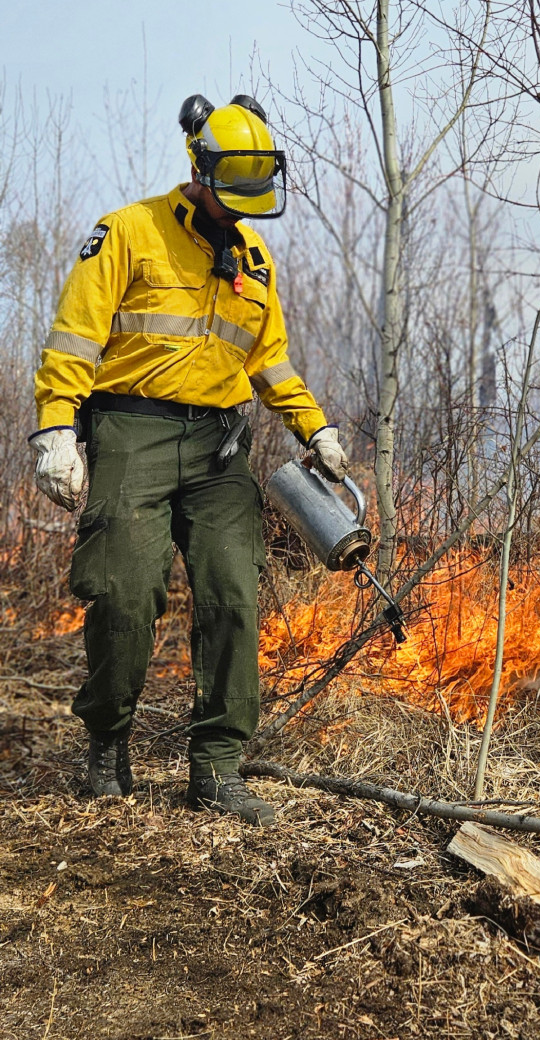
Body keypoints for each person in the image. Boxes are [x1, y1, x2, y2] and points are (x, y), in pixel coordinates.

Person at [28, 95, 348, 827]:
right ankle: (107, 741)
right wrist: (54, 430)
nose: (242, 210)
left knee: (234, 594)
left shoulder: (255, 261)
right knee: (123, 595)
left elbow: (268, 363)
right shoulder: (127, 232)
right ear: (197, 168)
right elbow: (75, 337)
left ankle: (217, 768)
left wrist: (314, 428)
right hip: (131, 432)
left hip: (219, 448)